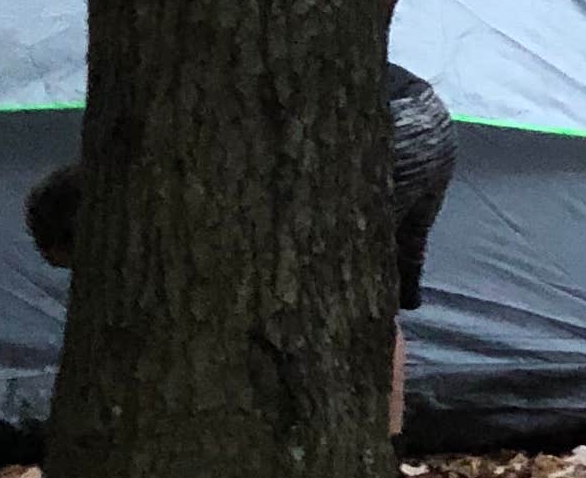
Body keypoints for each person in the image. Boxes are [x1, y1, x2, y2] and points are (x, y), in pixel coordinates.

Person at [23, 60, 461, 437]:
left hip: (382, 128)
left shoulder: (186, 186)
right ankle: (385, 447)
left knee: (321, 291)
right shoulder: (165, 157)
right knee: (377, 303)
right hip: (426, 113)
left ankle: (330, 444)